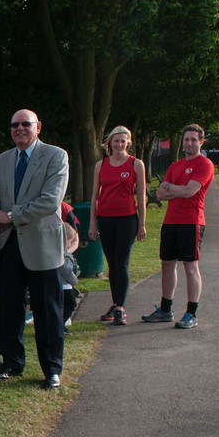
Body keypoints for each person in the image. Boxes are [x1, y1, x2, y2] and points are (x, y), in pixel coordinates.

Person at [0, 109, 69, 390]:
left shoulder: (56, 156)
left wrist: (10, 216)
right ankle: (11, 362)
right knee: (9, 306)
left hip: (43, 246)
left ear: (38, 127)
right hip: (10, 245)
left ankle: (51, 369)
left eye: (26, 124)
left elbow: (50, 202)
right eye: (14, 125)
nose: (19, 128)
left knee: (48, 310)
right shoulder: (3, 161)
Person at [142, 124, 214, 329]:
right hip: (170, 221)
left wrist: (172, 187)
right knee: (167, 265)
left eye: (193, 139)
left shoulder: (205, 164)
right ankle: (166, 310)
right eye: (186, 139)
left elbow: (188, 192)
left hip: (192, 222)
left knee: (190, 267)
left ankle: (191, 313)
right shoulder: (175, 166)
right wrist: (176, 189)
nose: (189, 143)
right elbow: (161, 195)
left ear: (201, 142)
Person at [88, 126, 147, 326]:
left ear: (128, 143)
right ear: (110, 143)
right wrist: (92, 223)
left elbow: (140, 196)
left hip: (127, 219)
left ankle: (120, 307)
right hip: (105, 219)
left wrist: (142, 224)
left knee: (121, 262)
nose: (119, 144)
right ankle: (115, 304)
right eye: (116, 141)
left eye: (123, 141)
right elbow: (95, 196)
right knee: (112, 263)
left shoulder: (136, 164)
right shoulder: (101, 165)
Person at [60, 222, 80, 333]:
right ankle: (61, 324)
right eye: (70, 241)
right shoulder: (66, 256)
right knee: (71, 305)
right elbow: (67, 270)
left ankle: (59, 324)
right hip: (66, 286)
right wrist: (74, 280)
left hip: (58, 285)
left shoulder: (56, 253)